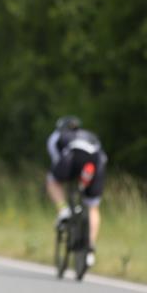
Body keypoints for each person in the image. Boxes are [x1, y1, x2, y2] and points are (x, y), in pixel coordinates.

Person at [46, 115, 107, 268]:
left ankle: (63, 211)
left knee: (53, 181)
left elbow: (56, 159)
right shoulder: (91, 135)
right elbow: (103, 157)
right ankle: (90, 247)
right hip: (95, 162)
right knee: (93, 206)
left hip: (72, 158)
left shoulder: (57, 136)